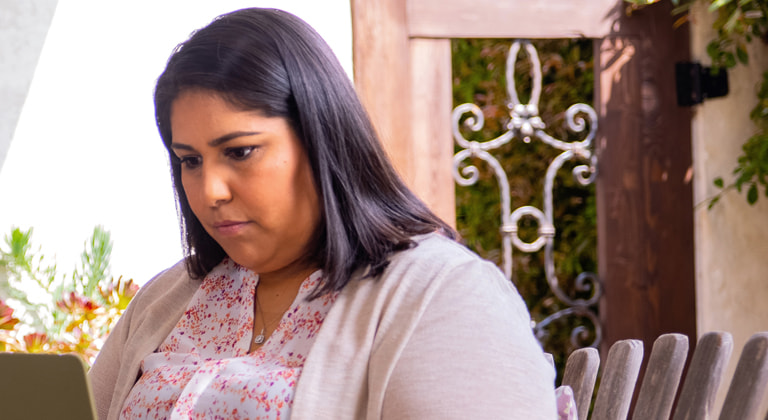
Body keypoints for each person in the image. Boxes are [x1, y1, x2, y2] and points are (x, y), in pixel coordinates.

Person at [87, 8, 556, 419]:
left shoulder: (442, 297)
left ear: (320, 139)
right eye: (190, 160)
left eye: (240, 151)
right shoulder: (170, 297)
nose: (210, 191)